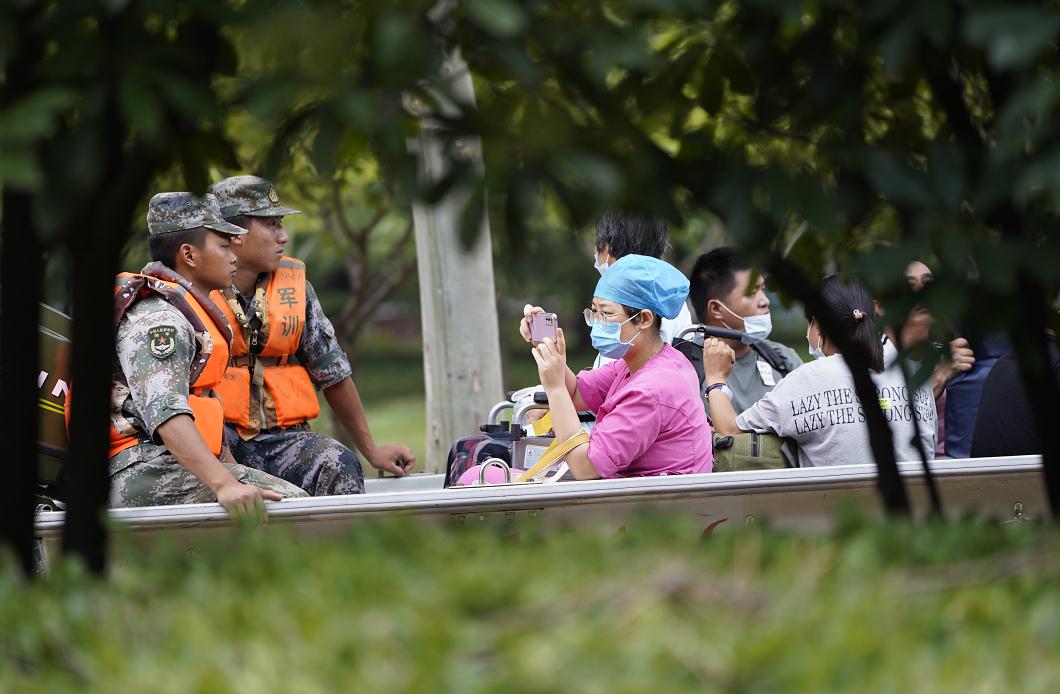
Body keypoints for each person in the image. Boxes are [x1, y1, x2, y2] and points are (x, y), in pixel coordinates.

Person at [207, 175, 416, 495]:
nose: (284, 236)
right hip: (217, 438)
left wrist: (371, 449)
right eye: (272, 224)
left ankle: (339, 546)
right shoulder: (194, 288)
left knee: (339, 463)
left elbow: (333, 371)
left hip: (282, 437)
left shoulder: (296, 289)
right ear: (234, 235)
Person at [105, 193, 307, 518]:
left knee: (281, 496)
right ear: (189, 254)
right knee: (292, 507)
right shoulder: (160, 320)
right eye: (225, 247)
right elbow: (165, 414)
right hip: (140, 469)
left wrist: (228, 472)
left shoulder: (186, 312)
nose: (234, 258)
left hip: (167, 465)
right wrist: (224, 483)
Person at [704, 276, 936, 467]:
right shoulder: (915, 376)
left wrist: (715, 379)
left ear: (819, 325)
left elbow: (730, 430)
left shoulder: (809, 378)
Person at [521, 255, 712, 479]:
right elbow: (576, 393)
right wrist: (546, 346)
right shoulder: (639, 363)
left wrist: (554, 387)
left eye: (607, 313)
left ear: (644, 319)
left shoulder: (651, 390)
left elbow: (584, 467)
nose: (597, 322)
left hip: (656, 509)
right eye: (594, 312)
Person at [687, 248, 802, 412]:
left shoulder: (782, 359)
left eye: (763, 289)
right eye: (752, 292)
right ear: (717, 309)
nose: (765, 301)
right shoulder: (688, 370)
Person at [591, 211, 693, 368]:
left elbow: (609, 390)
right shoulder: (671, 298)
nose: (596, 254)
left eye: (606, 313)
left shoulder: (628, 300)